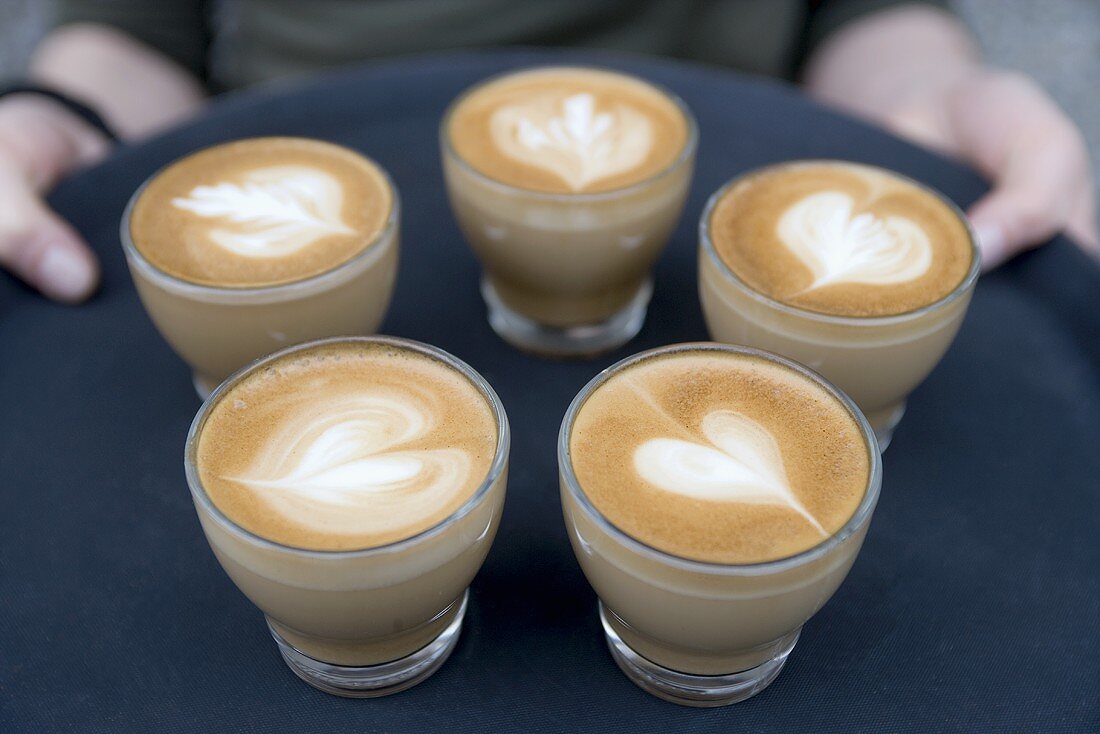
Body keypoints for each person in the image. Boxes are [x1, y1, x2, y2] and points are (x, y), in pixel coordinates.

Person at [0, 0, 1094, 303]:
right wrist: (58, 111)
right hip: (301, 221)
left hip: (743, 230)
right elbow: (140, 34)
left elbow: (860, 12)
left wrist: (928, 93)